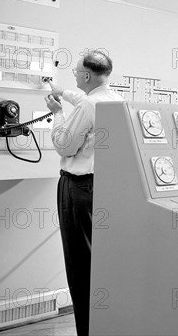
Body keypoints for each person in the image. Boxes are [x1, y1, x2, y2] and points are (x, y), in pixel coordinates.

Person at [44, 50, 123, 336]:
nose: (75, 74)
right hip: (103, 189)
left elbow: (64, 145)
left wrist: (58, 113)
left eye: (76, 71)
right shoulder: (115, 100)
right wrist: (63, 92)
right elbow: (87, 104)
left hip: (77, 189)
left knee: (79, 266)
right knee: (96, 263)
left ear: (87, 75)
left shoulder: (90, 105)